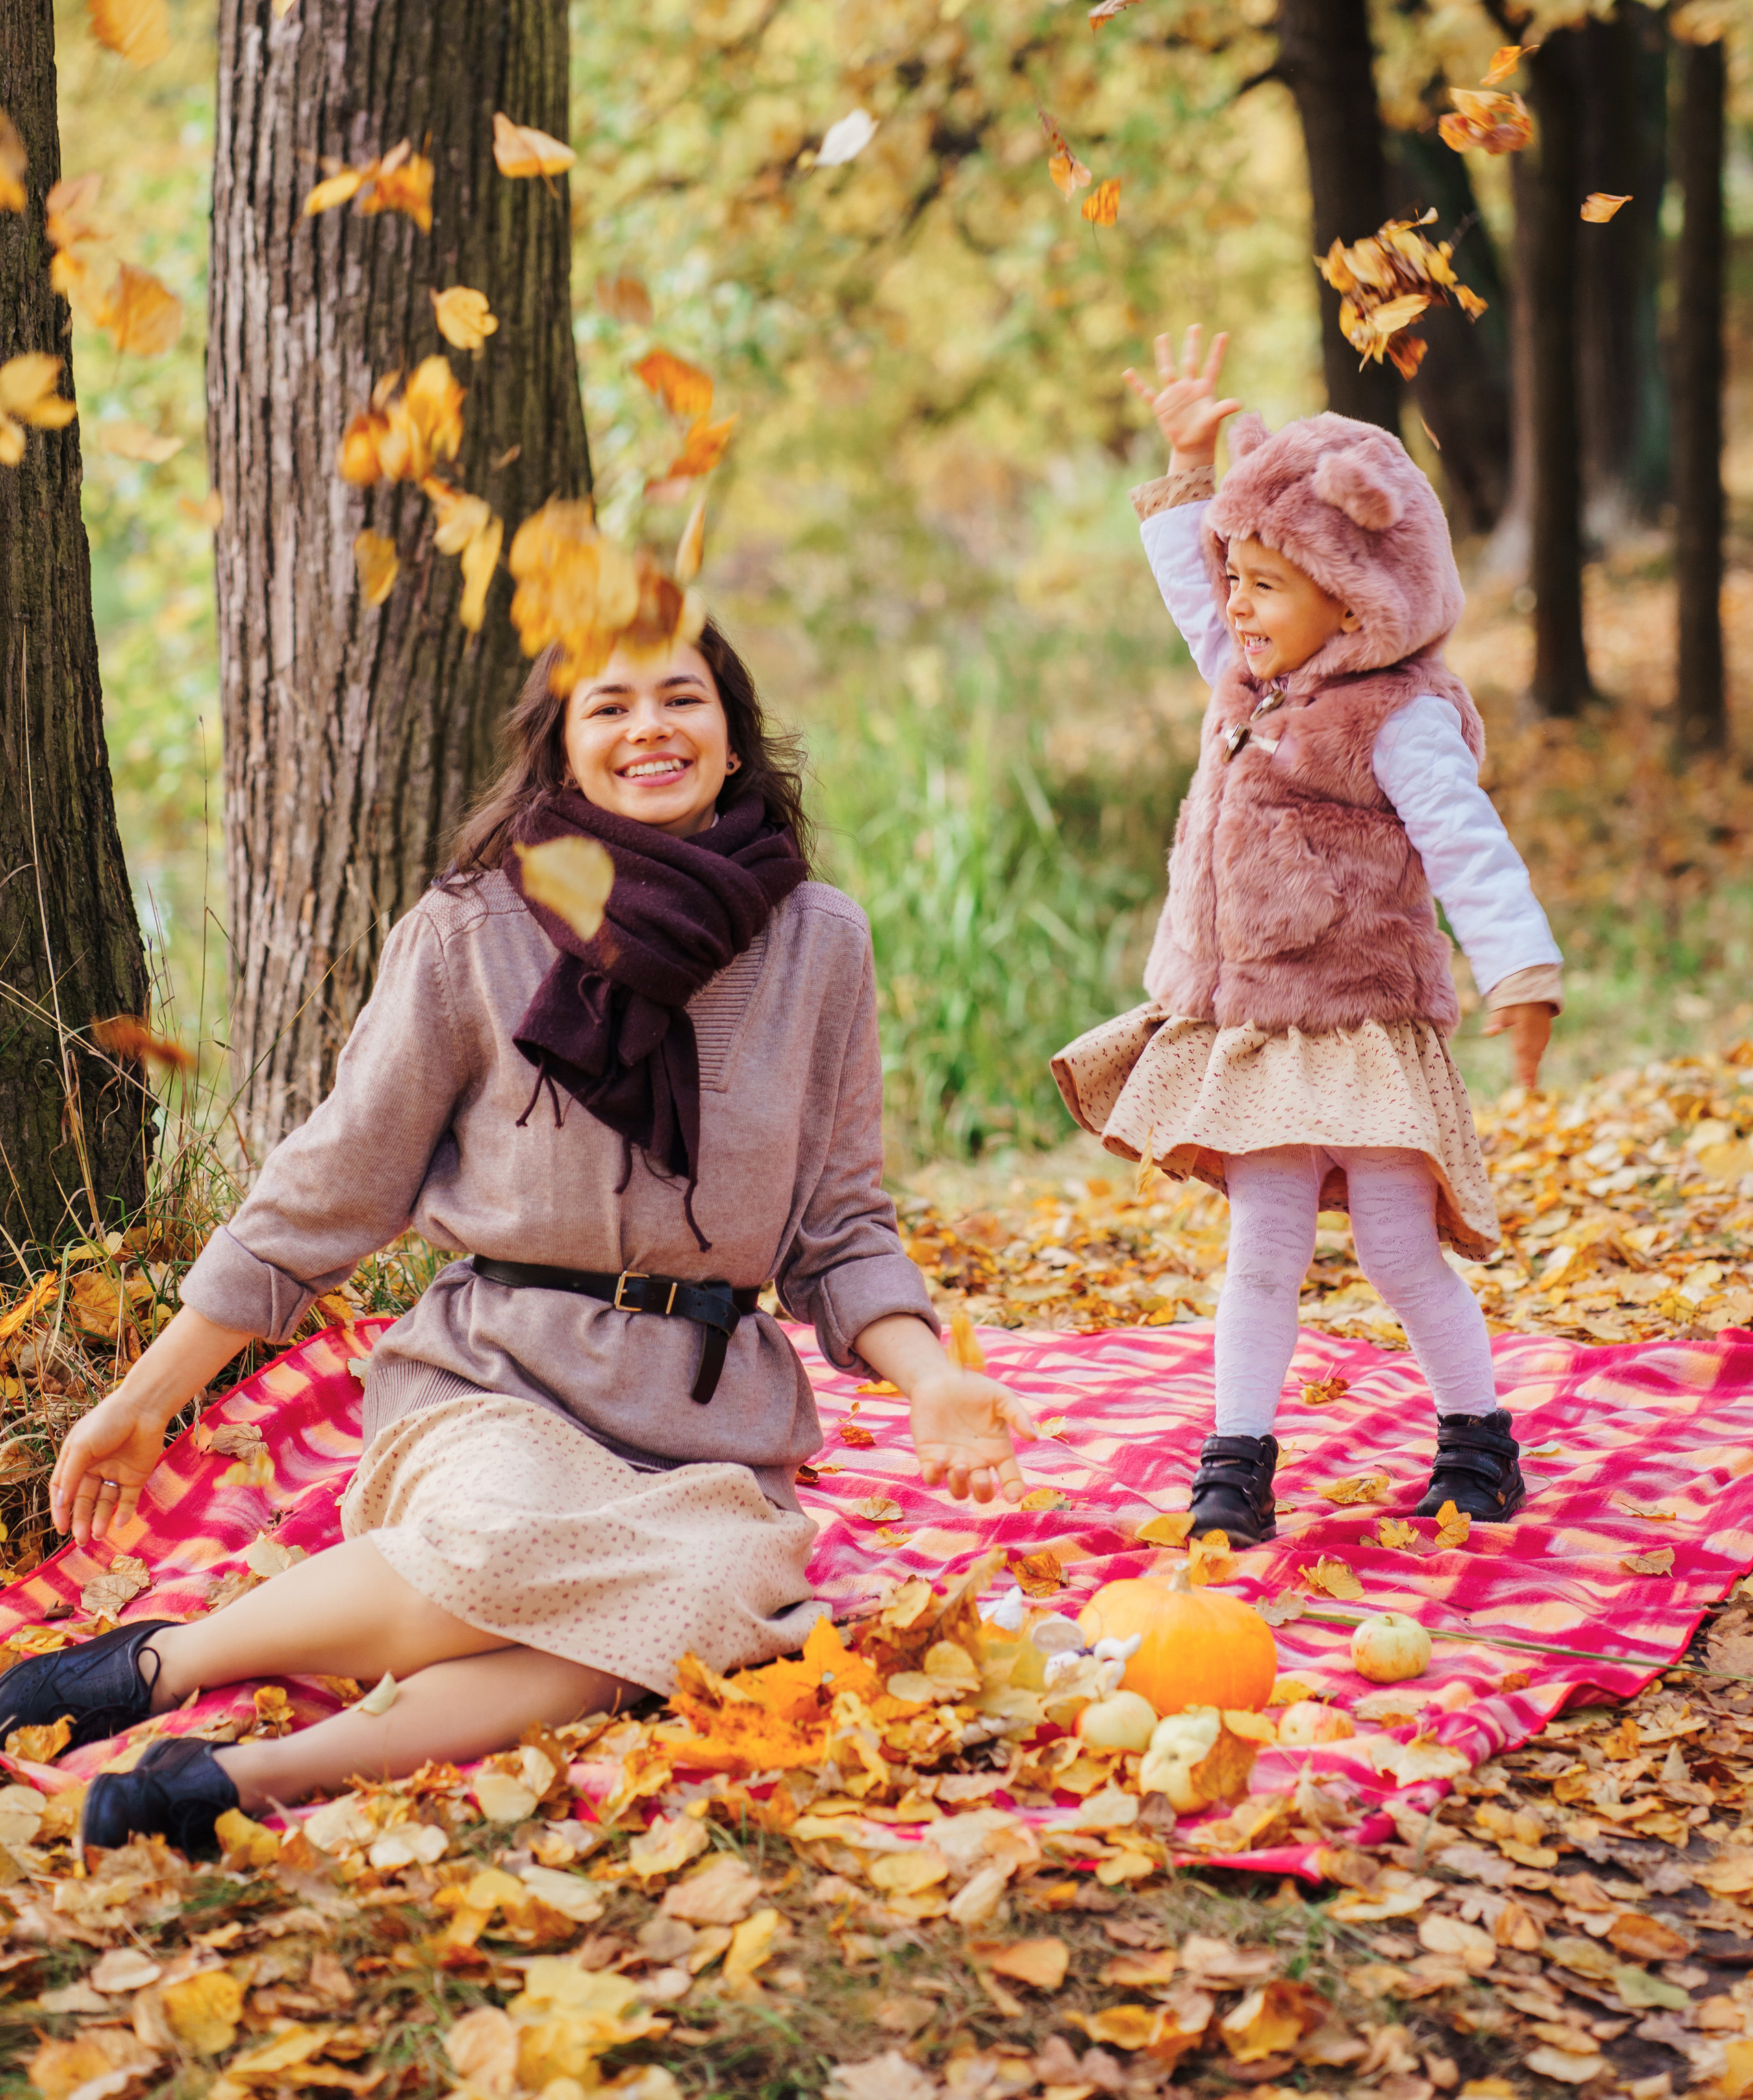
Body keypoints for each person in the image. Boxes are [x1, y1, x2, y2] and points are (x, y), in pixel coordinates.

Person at [1, 621, 1033, 1855]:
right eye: (610, 707)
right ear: (562, 748)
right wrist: (150, 1393)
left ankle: (248, 1776)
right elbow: (333, 1187)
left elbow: (840, 1226)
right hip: (499, 1378)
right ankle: (157, 1667)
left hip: (710, 1421)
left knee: (698, 1605)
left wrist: (930, 1378)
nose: (649, 728)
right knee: (506, 1538)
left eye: (681, 698)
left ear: (733, 732)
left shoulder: (821, 940)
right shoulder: (469, 931)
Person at [1052, 329, 1562, 1546]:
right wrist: (1186, 472)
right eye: (1235, 575)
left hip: (1364, 1021)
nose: (1236, 603)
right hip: (1259, 1031)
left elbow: (1466, 843)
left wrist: (1521, 970)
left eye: (1266, 584)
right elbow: (1193, 595)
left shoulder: (1398, 716)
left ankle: (1478, 1440)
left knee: (1395, 1246)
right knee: (1262, 1246)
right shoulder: (1244, 677)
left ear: (1357, 597)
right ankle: (1236, 1465)